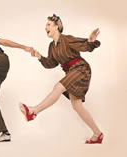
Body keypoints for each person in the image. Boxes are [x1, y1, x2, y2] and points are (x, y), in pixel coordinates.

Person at [19, 14, 104, 144]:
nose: (45, 27)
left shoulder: (67, 39)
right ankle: (98, 134)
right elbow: (51, 64)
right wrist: (39, 56)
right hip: (71, 72)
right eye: (46, 24)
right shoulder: (52, 46)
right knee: (77, 106)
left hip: (81, 69)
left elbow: (84, 46)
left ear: (56, 26)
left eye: (48, 24)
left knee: (58, 87)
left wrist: (90, 41)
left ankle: (33, 111)